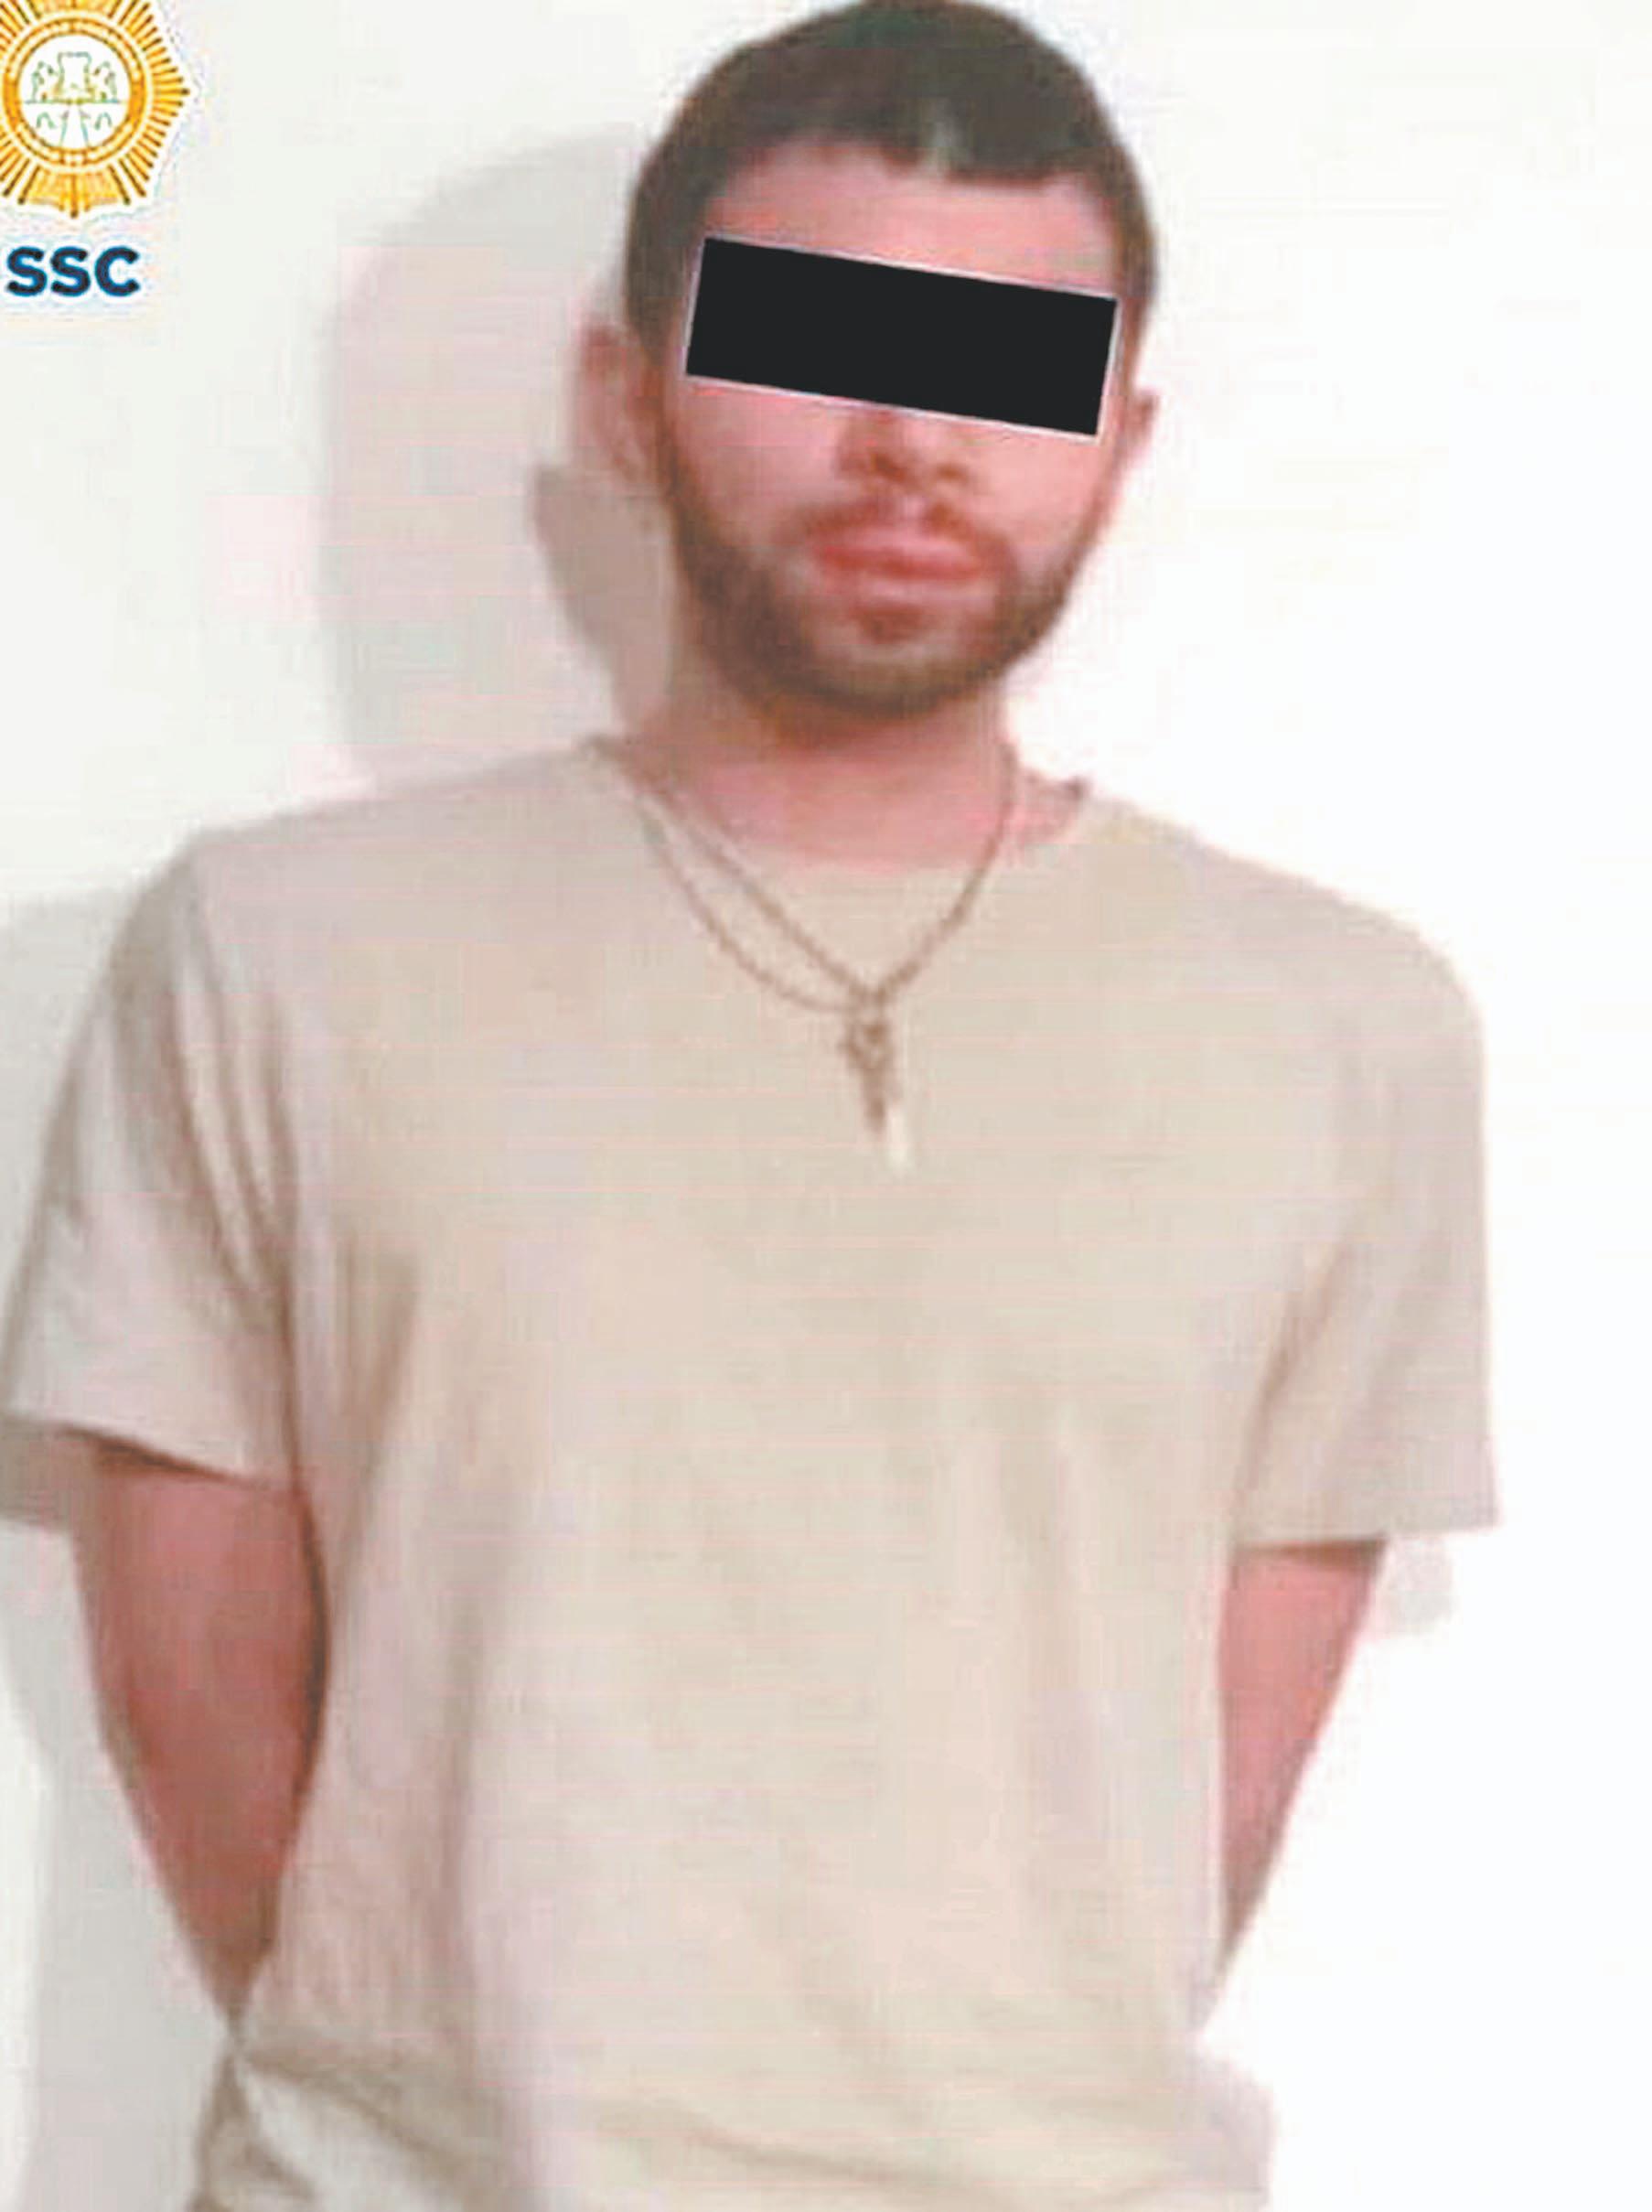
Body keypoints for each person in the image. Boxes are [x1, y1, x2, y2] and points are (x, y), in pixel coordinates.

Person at [0, 3, 1497, 2207]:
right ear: (625, 399)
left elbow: (1205, 1813)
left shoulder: (1346, 1033)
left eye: (1011, 368)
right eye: (816, 344)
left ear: (1122, 439)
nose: (915, 441)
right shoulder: (273, 957)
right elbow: (197, 1710)